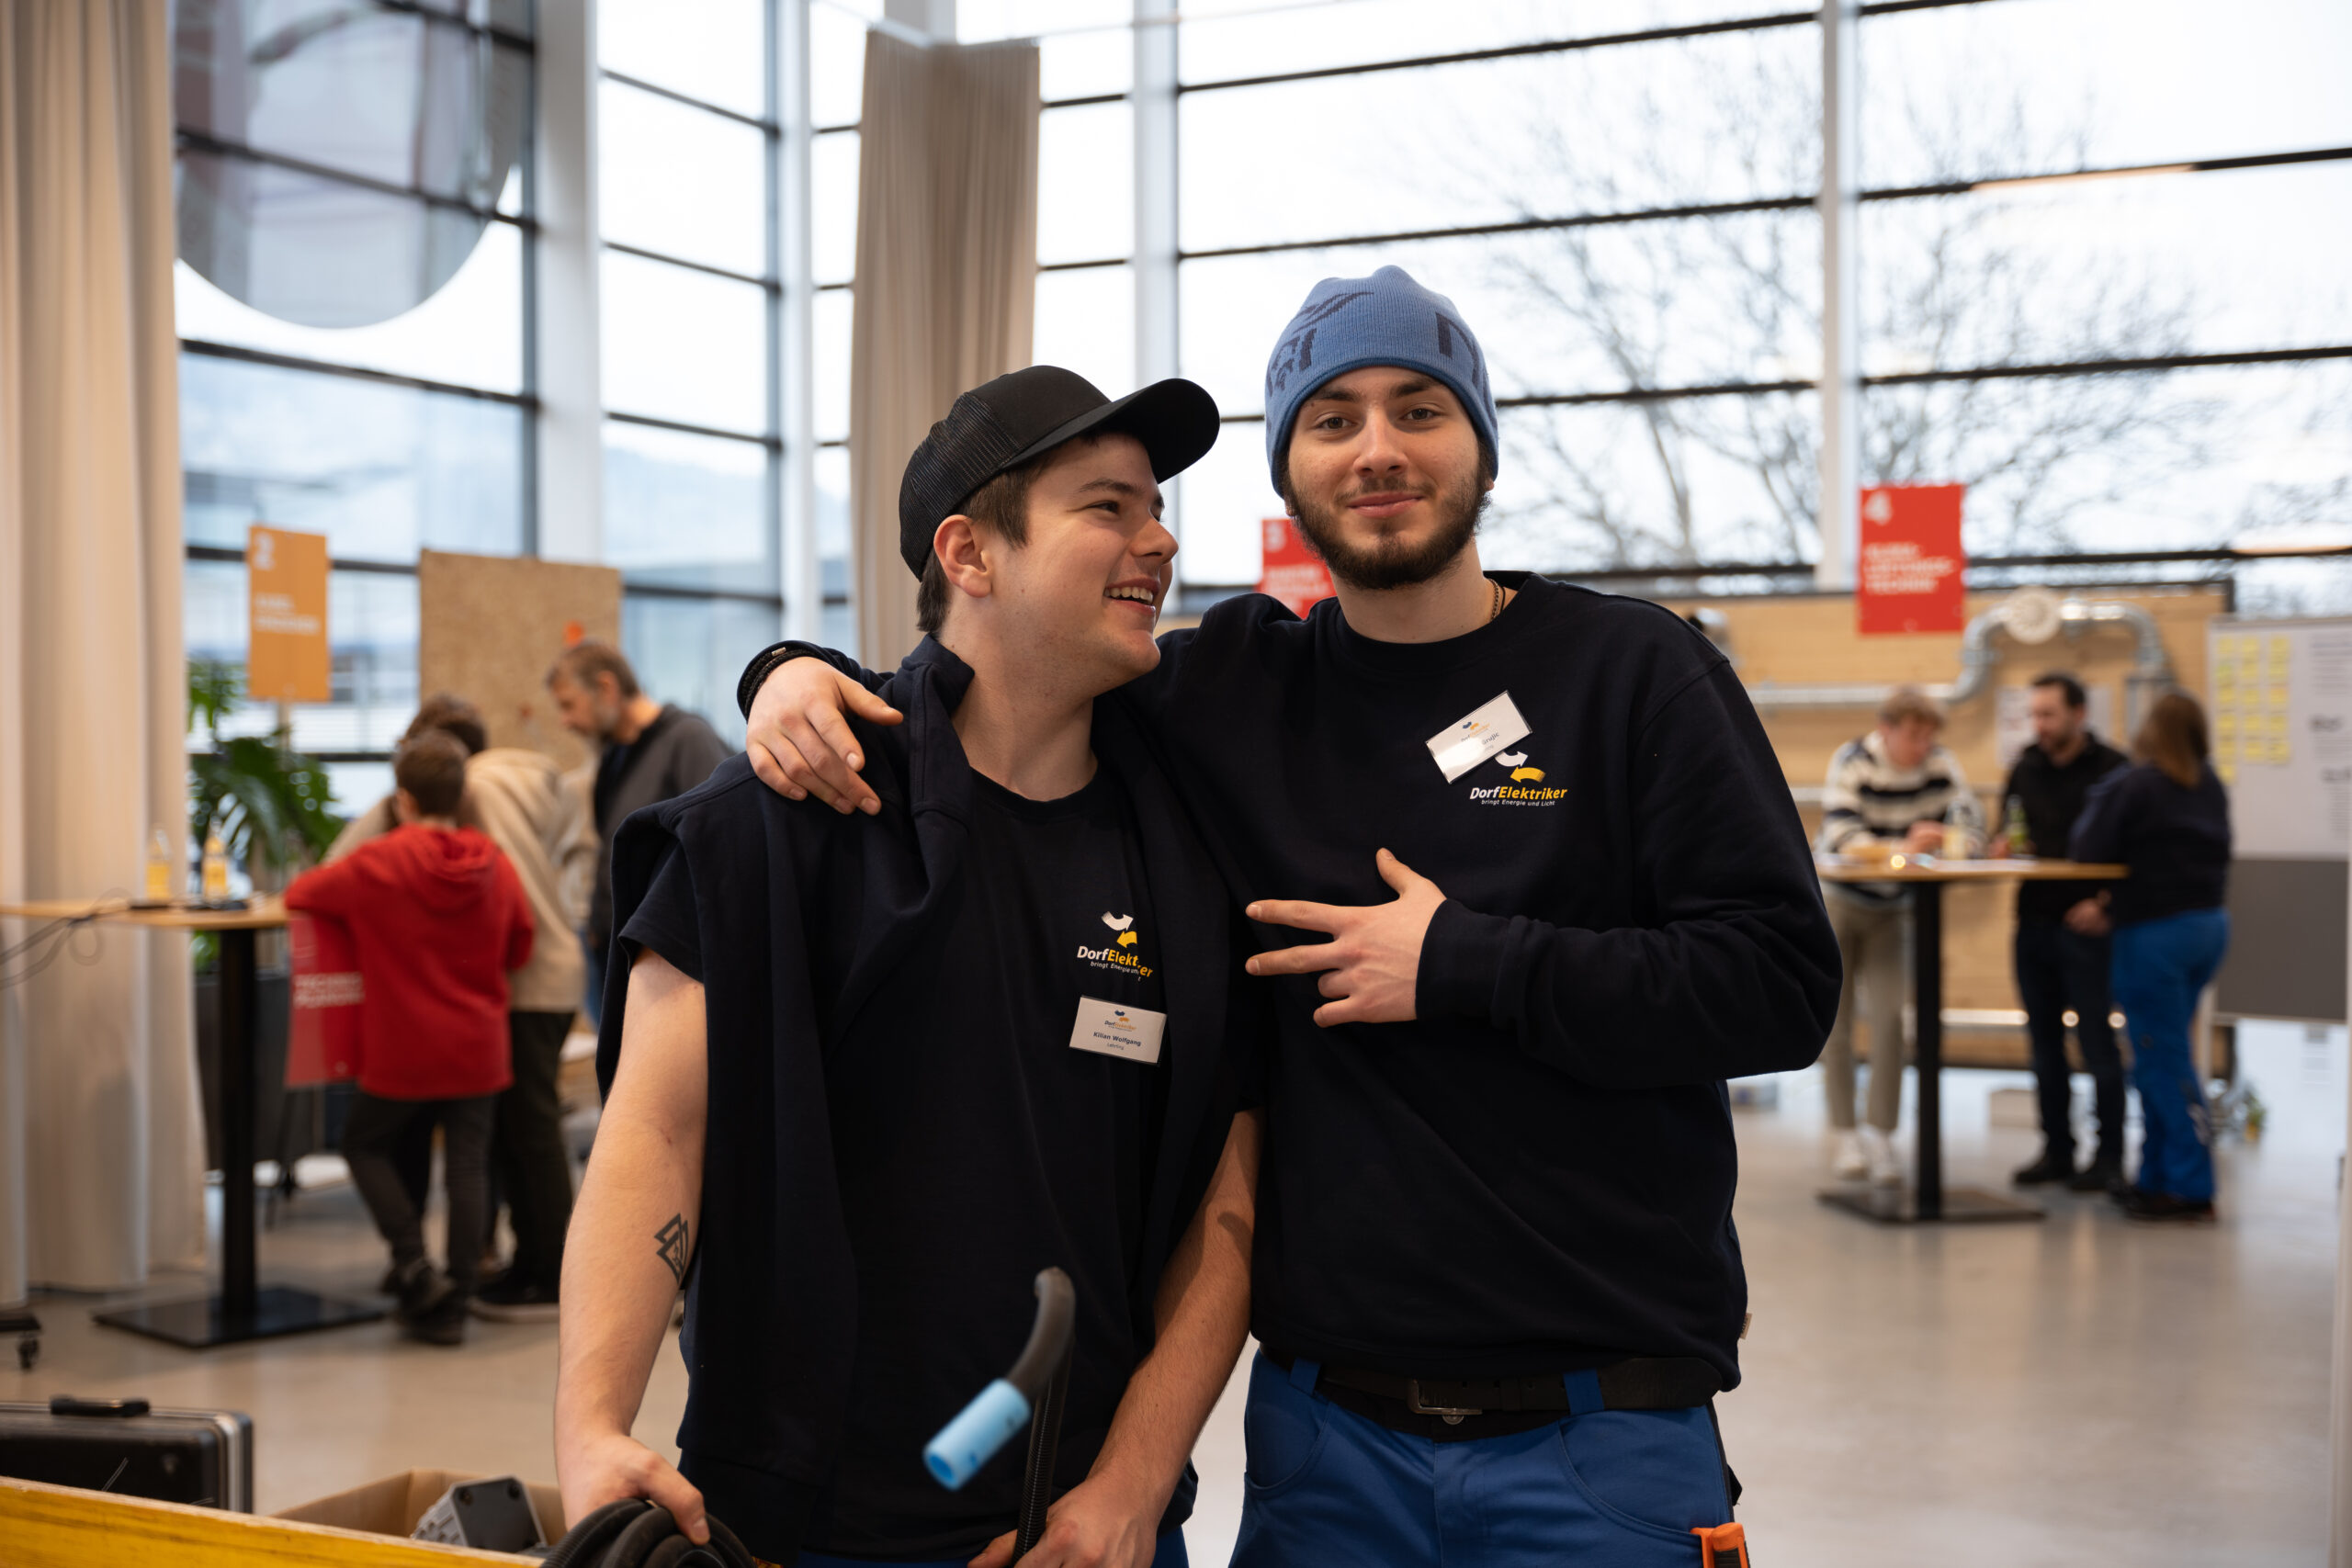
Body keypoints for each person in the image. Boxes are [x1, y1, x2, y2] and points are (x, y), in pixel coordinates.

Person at [736, 266, 1840, 1564]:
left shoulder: (1634, 671)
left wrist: (1466, 961)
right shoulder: (1232, 688)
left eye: (1419, 408)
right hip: (1328, 1441)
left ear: (1480, 444)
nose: (1377, 448)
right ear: (1289, 470)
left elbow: (1779, 981)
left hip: (1603, 1432)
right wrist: (790, 675)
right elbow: (1001, 668)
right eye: (1333, 418)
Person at [555, 366, 1265, 1568]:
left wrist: (1133, 1487)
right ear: (972, 553)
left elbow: (1231, 1188)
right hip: (801, 1527)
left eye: (1158, 506)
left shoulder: (1188, 845)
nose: (1160, 539)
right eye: (1109, 505)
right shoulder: (783, 818)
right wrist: (590, 1422)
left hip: (1082, 1531)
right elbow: (660, 1129)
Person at [327, 694, 595, 1319]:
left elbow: (342, 859)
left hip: (523, 982)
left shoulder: (468, 793)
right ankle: (503, 1265)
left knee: (529, 1132)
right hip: (547, 970)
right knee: (510, 1133)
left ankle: (551, 1269)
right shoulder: (518, 777)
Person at [286, 730, 535, 1345]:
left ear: (402, 798)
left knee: (364, 1144)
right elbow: (522, 941)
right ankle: (458, 1298)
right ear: (463, 794)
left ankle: (415, 1267)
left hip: (404, 1047)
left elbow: (301, 894)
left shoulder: (377, 863)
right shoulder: (495, 863)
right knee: (469, 1166)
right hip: (479, 1045)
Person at [2068, 692, 2232, 1224]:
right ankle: (2156, 1178)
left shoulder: (2139, 785)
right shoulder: (2209, 786)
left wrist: (2115, 785)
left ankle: (2189, 1186)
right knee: (2163, 1053)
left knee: (2162, 1062)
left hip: (2156, 937)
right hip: (2207, 928)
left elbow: (2087, 847)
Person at [1815, 685, 1984, 1186]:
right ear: (1887, 729)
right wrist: (1905, 847)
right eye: (1913, 734)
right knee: (1836, 1024)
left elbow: (1972, 828)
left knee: (1891, 1020)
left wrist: (1953, 842)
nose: (1923, 744)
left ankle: (1881, 1132)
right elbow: (1844, 836)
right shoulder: (1854, 761)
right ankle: (1844, 1132)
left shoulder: (1942, 765)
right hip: (1841, 903)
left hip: (1897, 907)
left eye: (1929, 734)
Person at [1990, 673, 2129, 1190]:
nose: (2039, 725)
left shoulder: (2115, 771)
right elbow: (2005, 828)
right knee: (2043, 1046)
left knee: (2097, 1044)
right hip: (2034, 923)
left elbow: (2138, 851)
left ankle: (2110, 1157)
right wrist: (2001, 845)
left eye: (2048, 714)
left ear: (2078, 713)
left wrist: (2105, 904)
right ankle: (2057, 1150)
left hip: (2088, 926)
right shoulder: (2025, 766)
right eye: (2034, 715)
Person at [546, 642, 729, 1022]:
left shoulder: (687, 740)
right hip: (616, 950)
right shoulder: (615, 755)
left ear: (606, 688)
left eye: (568, 705)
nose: (565, 721)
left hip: (668, 963)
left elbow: (718, 847)